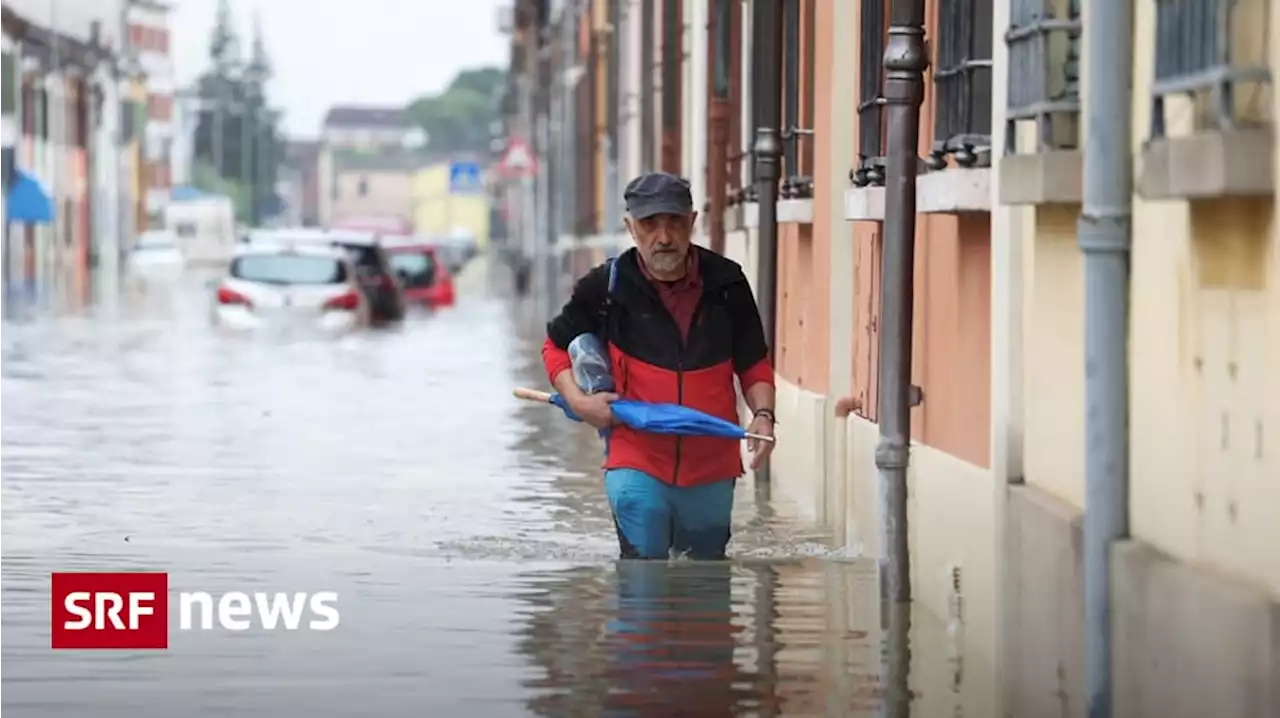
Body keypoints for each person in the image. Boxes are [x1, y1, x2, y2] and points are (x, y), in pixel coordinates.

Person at [541, 171, 776, 561]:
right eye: (650, 224)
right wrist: (580, 403)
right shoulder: (607, 285)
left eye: (675, 223)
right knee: (643, 581)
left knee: (706, 585)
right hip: (636, 459)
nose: (663, 237)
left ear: (693, 222)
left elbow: (752, 361)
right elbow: (555, 347)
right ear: (630, 228)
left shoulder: (727, 282)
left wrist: (764, 414)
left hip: (712, 464)